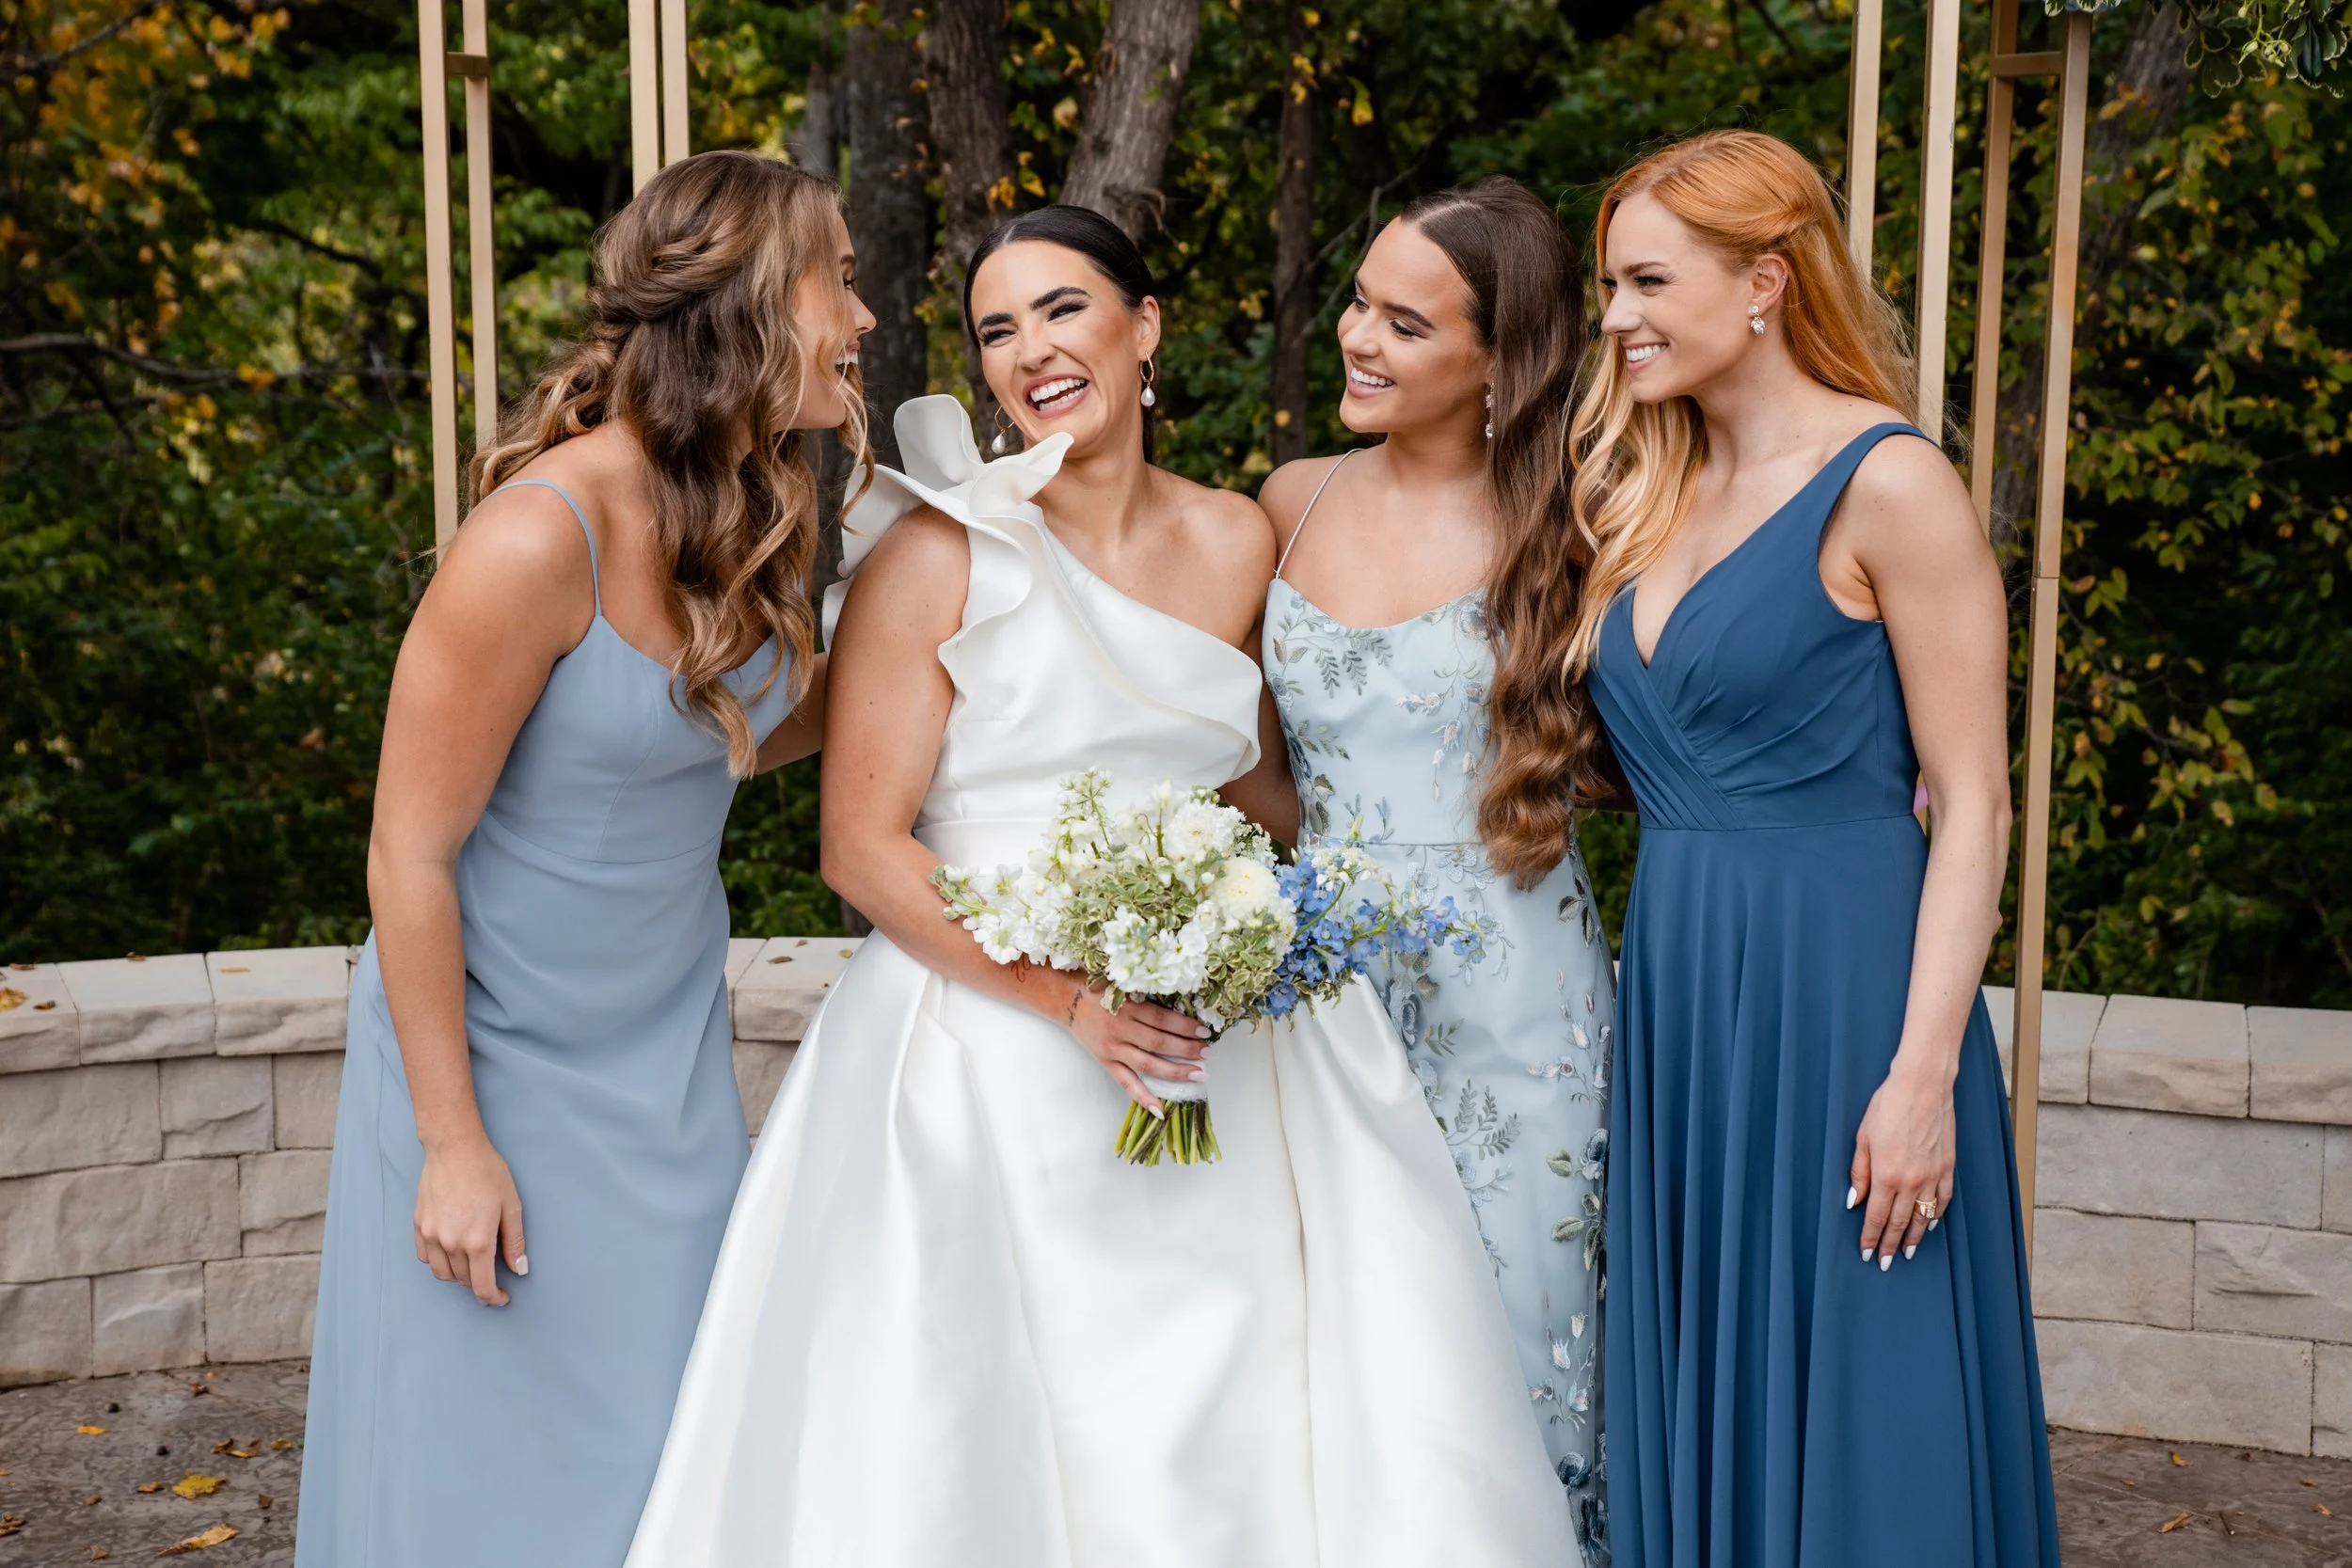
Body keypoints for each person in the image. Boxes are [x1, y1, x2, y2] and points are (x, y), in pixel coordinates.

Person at [623, 205, 1578, 1568]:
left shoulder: (1244, 544)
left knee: (1247, 1393)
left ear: (1147, 325)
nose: (1031, 351)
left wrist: (1288, 908)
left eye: (1063, 309)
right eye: (997, 330)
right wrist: (1068, 1002)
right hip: (987, 1047)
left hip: (1217, 1026)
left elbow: (1257, 785)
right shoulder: (935, 555)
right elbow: (864, 847)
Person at [296, 150, 875, 1568]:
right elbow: (408, 853)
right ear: (749, 305)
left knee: (675, 1447)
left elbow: (765, 725)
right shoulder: (531, 538)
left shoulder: (742, 512)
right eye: (838, 279)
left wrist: (980, 612)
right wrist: (451, 1142)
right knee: (487, 1463)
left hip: (663, 1068)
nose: (861, 318)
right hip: (492, 1073)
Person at [1563, 130, 2059, 1566]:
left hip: (1851, 1002)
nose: (1616, 317)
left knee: (1865, 1381)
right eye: (1609, 286)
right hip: (1685, 1000)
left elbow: (1973, 801)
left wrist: (1920, 1080)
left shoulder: (1890, 483)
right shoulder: (1647, 490)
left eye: (1648, 281)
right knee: (1708, 1361)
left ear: (1766, 282)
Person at [1257, 176, 1617, 1555]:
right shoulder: (1287, 501)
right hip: (1327, 988)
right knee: (1338, 1334)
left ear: (1495, 358)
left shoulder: (1573, 527)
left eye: (1404, 324)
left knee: (1519, 1331)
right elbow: (1234, 750)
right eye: (1358, 303)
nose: (1358, 336)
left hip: (1517, 997)